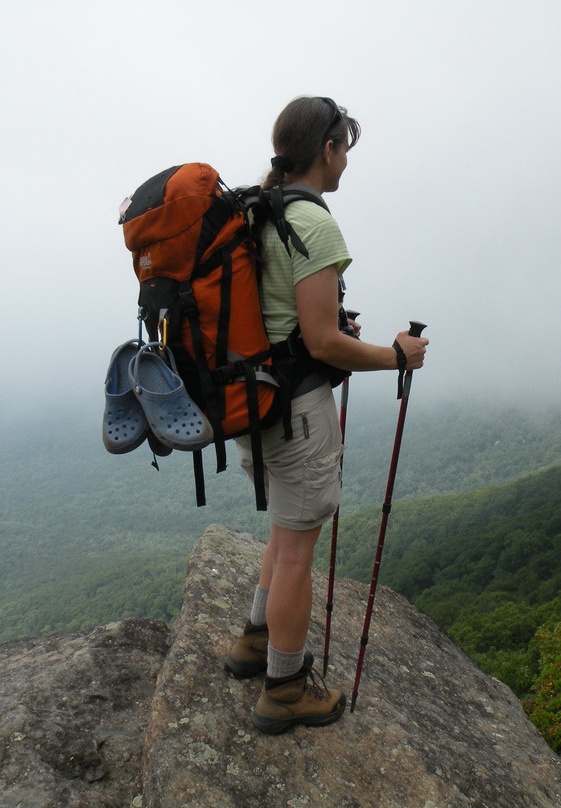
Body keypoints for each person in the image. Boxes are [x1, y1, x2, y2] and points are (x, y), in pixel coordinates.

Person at [222, 96, 428, 734]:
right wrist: (395, 356)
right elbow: (322, 344)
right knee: (295, 554)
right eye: (345, 149)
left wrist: (328, 329)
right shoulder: (312, 223)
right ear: (328, 149)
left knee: (283, 535)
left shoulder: (259, 210)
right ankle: (284, 689)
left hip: (251, 403)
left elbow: (283, 317)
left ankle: (255, 641)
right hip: (297, 413)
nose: (346, 162)